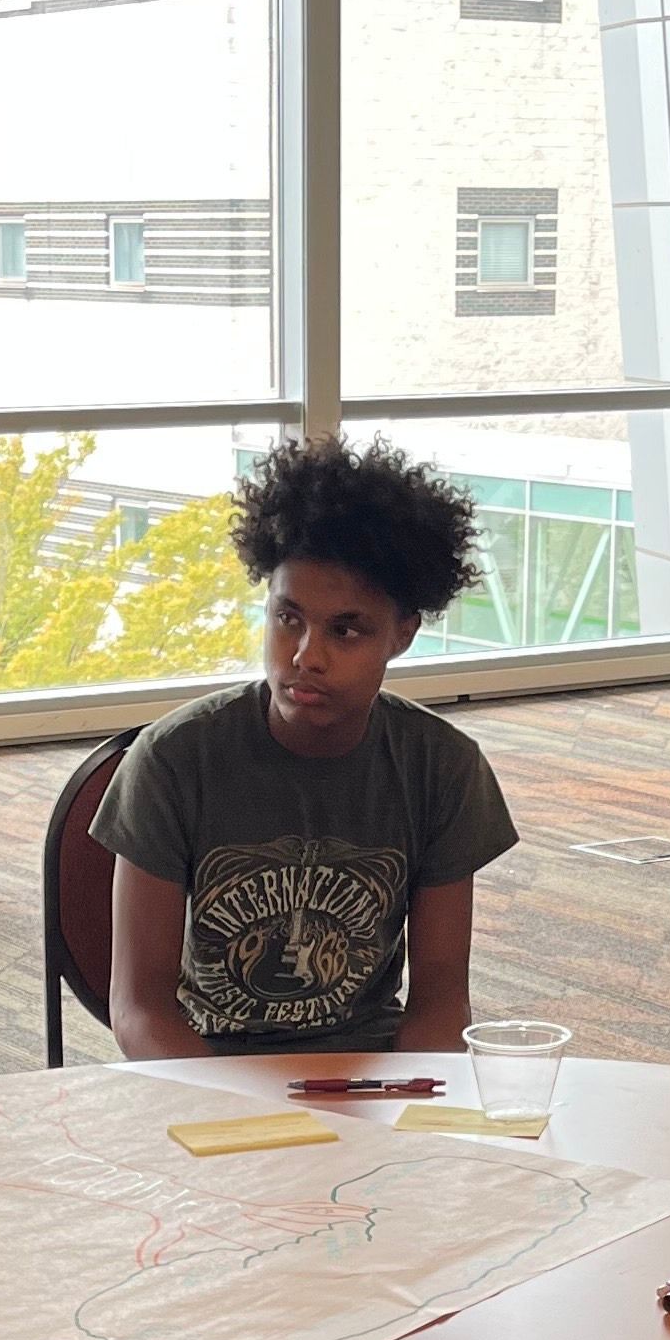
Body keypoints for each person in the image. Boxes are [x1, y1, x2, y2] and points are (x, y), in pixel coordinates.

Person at [97, 437, 518, 1058]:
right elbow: (140, 1011)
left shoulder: (443, 767)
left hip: (368, 1071)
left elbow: (440, 1006)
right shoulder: (173, 761)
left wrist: (409, 1113)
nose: (305, 656)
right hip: (209, 1073)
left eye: (345, 630)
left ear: (403, 635)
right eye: (287, 619)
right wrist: (245, 1125)